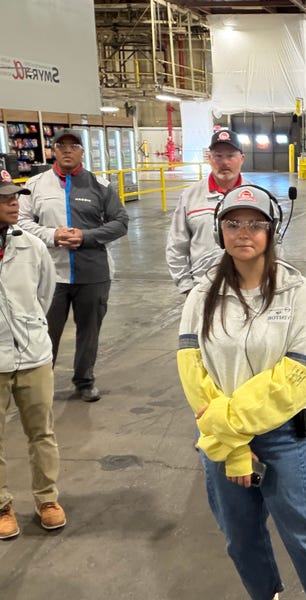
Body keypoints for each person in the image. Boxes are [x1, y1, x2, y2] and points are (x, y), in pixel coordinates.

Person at [177, 184, 306, 600]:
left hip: (282, 436)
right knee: (241, 538)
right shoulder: (202, 294)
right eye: (233, 223)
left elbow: (297, 375)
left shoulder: (297, 291)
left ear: (272, 231)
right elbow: (191, 366)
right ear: (219, 230)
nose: (244, 233)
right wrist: (234, 444)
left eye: (255, 224)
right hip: (221, 441)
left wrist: (229, 425)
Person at [19, 129, 129, 402]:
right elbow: (20, 221)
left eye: (74, 145)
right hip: (50, 274)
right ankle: (41, 384)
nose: (67, 150)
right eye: (61, 145)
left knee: (89, 332)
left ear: (82, 151)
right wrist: (52, 235)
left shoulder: (100, 185)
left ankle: (84, 380)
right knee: (45, 332)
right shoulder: (35, 185)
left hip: (93, 272)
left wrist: (86, 236)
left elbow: (120, 222)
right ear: (53, 151)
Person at [0, 172, 66, 538]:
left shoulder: (31, 246)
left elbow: (45, 294)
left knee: (42, 432)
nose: (14, 203)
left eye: (15, 196)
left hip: (33, 356)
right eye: (4, 198)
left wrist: (28, 328)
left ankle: (47, 499)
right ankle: (2, 505)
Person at [166, 129, 250, 293]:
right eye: (218, 156)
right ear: (209, 158)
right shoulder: (190, 196)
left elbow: (273, 245)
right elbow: (176, 244)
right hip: (203, 288)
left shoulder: (256, 195)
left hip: (247, 288)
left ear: (241, 159)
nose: (224, 162)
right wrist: (186, 287)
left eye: (230, 156)